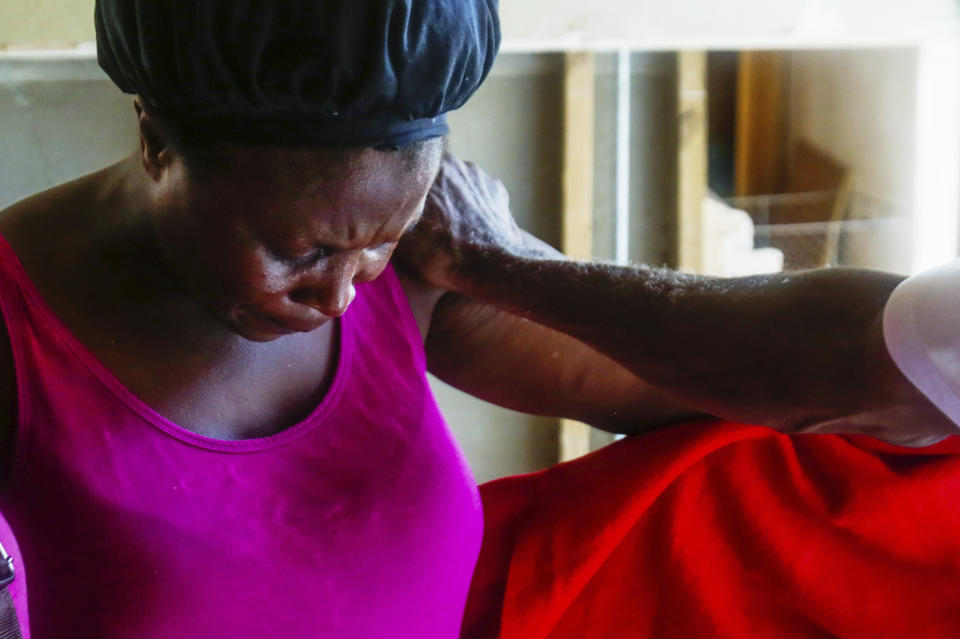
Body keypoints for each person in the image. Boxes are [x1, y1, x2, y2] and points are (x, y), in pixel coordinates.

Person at [0, 1, 715, 637]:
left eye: (382, 239)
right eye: (298, 249)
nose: (341, 295)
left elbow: (771, 387)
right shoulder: (15, 332)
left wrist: (518, 266)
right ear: (157, 142)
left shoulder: (423, 274)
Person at [396, 155, 960, 638]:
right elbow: (639, 375)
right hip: (484, 595)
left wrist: (489, 260)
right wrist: (469, 269)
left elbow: (832, 365)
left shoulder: (837, 379)